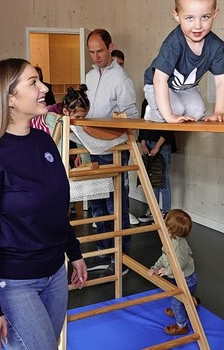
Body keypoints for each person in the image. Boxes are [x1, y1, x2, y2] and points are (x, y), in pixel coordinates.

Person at [0, 58, 87, 350]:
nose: (44, 88)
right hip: (13, 284)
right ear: (10, 98)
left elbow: (56, 208)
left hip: (55, 273)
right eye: (33, 83)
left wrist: (74, 253)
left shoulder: (43, 142)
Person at [143, 0, 224, 124]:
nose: (198, 26)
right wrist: (169, 116)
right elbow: (159, 79)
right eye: (189, 18)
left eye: (205, 17)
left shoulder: (216, 46)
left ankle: (169, 111)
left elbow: (221, 81)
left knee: (197, 112)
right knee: (174, 110)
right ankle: (151, 112)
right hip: (158, 84)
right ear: (177, 16)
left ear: (214, 14)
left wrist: (220, 111)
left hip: (186, 88)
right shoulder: (173, 44)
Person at [84, 29, 139, 276]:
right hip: (91, 147)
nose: (96, 56)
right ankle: (103, 253)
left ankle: (121, 258)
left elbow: (132, 116)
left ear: (110, 47)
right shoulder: (89, 76)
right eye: (92, 52)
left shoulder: (122, 79)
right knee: (97, 204)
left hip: (114, 149)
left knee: (115, 205)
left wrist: (116, 123)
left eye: (100, 51)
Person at [148, 209, 198, 336]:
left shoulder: (180, 246)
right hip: (179, 278)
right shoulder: (169, 239)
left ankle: (182, 326)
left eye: (166, 223)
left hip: (187, 279)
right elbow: (164, 256)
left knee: (176, 304)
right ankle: (189, 302)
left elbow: (182, 264)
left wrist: (168, 270)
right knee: (179, 300)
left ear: (170, 229)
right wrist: (155, 267)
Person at [138, 98, 177, 222]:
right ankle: (153, 210)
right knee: (152, 179)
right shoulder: (146, 101)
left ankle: (166, 212)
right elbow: (142, 123)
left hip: (162, 144)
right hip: (148, 143)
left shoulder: (167, 100)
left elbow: (168, 128)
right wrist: (143, 144)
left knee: (163, 179)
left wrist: (157, 147)